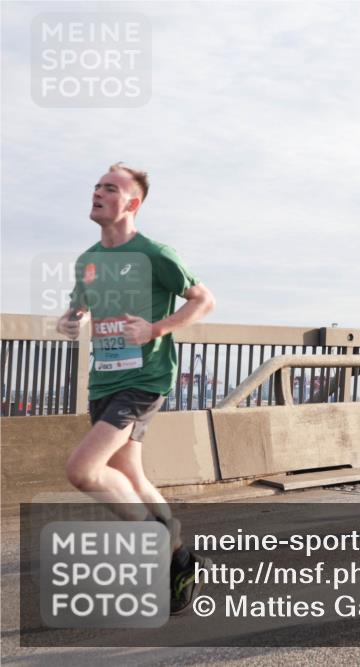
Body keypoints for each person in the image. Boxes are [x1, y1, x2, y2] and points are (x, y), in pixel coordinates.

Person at [55, 163, 216, 613]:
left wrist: (156, 329)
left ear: (132, 203)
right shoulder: (88, 261)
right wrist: (71, 320)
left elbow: (204, 300)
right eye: (96, 186)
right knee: (130, 475)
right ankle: (181, 560)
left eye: (111, 187)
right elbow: (79, 307)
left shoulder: (155, 254)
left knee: (83, 470)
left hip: (144, 380)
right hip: (104, 378)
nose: (99, 191)